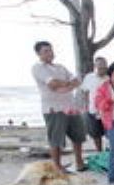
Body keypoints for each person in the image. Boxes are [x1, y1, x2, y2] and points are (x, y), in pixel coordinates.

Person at [30, 41, 87, 172]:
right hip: (53, 108)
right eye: (46, 51)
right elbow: (52, 84)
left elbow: (77, 81)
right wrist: (68, 84)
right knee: (56, 139)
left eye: (50, 50)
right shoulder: (38, 68)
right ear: (38, 54)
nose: (50, 53)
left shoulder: (61, 67)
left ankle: (79, 162)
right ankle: (58, 167)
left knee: (78, 135)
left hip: (70, 107)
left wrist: (65, 85)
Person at [80, 56, 109, 152]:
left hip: (108, 111)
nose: (102, 69)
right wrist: (85, 107)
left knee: (109, 135)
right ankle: (99, 153)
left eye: (104, 67)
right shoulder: (89, 77)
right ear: (95, 66)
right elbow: (84, 92)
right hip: (93, 110)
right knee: (96, 135)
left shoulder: (109, 77)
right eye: (100, 67)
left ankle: (109, 153)